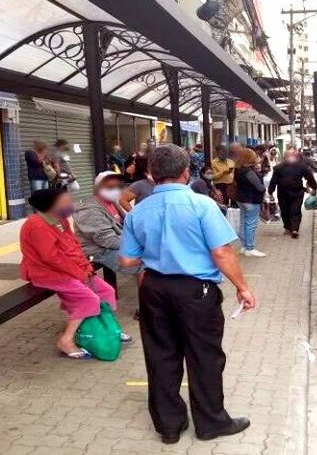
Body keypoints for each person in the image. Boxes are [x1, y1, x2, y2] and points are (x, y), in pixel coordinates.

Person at [119, 144, 256, 444]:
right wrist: (242, 288)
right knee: (204, 355)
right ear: (185, 172)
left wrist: (157, 252)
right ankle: (210, 423)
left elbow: (127, 261)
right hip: (196, 291)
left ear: (153, 175)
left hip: (153, 289)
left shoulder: (137, 212)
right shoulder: (202, 205)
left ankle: (169, 427)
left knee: (160, 355)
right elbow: (221, 252)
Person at [19, 188, 129, 358]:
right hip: (46, 272)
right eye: (64, 202)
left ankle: (108, 327)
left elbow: (74, 246)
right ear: (51, 206)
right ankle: (66, 340)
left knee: (107, 291)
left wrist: (86, 267)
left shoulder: (60, 220)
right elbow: (52, 258)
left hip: (71, 269)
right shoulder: (35, 225)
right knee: (88, 298)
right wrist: (79, 273)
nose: (70, 204)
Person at [74, 171, 143, 281]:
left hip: (114, 244)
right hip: (98, 250)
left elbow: (126, 226)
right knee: (145, 264)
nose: (116, 190)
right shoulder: (88, 209)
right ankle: (147, 297)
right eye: (110, 187)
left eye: (119, 186)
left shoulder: (113, 202)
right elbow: (106, 240)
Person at [268, 148, 317, 239]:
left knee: (286, 210)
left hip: (285, 192)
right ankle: (293, 228)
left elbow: (273, 182)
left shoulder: (279, 167)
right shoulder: (301, 166)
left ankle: (289, 228)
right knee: (294, 210)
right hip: (296, 192)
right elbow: (310, 178)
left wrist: (271, 192)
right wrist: (314, 188)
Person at [234, 148, 266, 257]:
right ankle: (250, 248)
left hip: (240, 199)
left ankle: (244, 246)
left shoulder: (238, 169)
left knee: (243, 222)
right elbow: (259, 187)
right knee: (251, 224)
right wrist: (263, 187)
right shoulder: (249, 172)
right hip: (251, 200)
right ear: (249, 158)